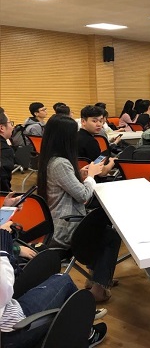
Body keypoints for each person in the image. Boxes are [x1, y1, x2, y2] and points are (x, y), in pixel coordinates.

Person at [37, 114, 121, 303]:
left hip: (57, 222)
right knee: (110, 235)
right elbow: (83, 196)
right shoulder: (60, 163)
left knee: (101, 227)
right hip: (65, 228)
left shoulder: (48, 160)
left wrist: (80, 176)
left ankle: (96, 278)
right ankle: (98, 287)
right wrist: (91, 176)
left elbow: (66, 188)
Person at [0, 218, 107, 348]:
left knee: (42, 269)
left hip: (6, 318)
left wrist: (15, 249)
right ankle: (87, 332)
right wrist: (4, 248)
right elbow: (3, 290)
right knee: (64, 281)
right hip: (11, 332)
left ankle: (80, 314)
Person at [77, 106, 117, 177]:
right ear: (83, 121)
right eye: (94, 121)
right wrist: (112, 162)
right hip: (91, 180)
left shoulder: (74, 136)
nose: (99, 124)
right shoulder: (90, 142)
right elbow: (101, 173)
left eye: (101, 121)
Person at [0, 107, 15, 192]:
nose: (12, 127)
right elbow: (3, 190)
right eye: (10, 123)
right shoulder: (4, 151)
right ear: (1, 128)